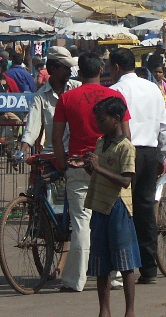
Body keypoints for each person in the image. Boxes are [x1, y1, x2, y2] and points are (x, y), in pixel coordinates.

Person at [52, 53, 130, 293]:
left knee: (81, 223)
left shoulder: (66, 98)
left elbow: (56, 138)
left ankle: (75, 279)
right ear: (101, 70)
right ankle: (116, 275)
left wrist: (63, 164)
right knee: (112, 220)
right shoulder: (114, 97)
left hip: (78, 164)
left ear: (79, 73)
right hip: (109, 166)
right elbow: (126, 135)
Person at [109, 47, 166, 286]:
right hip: (149, 151)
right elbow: (164, 124)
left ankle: (122, 265)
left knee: (121, 208)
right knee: (145, 209)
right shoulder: (153, 88)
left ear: (116, 67)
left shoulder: (116, 91)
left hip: (125, 151)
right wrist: (162, 155)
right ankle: (149, 267)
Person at [85, 96, 139, 317]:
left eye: (102, 120)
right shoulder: (101, 142)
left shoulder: (126, 147)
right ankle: (104, 310)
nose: (98, 124)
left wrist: (98, 168)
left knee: (125, 262)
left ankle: (129, 310)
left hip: (118, 207)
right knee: (101, 263)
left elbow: (126, 180)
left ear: (116, 119)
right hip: (99, 205)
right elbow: (97, 172)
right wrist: (89, 166)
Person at [19, 47, 80, 156]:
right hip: (52, 153)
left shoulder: (77, 88)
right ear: (53, 69)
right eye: (66, 68)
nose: (70, 72)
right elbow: (32, 127)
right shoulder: (40, 96)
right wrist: (21, 152)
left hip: (76, 152)